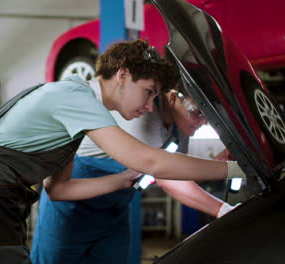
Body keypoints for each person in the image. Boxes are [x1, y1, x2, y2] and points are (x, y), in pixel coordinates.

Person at [0, 39, 245, 264]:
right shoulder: (77, 97)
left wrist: (122, 179)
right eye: (149, 91)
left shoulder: (82, 115)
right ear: (123, 76)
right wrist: (236, 169)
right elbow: (151, 161)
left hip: (1, 193)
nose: (151, 104)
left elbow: (59, 189)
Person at [30, 82, 237, 264]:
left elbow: (179, 171)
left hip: (113, 211)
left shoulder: (180, 127)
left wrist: (214, 163)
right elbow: (165, 176)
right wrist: (222, 208)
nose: (202, 122)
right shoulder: (144, 120)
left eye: (207, 115)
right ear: (174, 98)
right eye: (197, 112)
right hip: (70, 210)